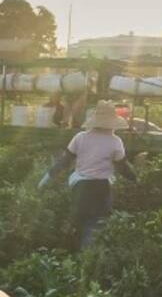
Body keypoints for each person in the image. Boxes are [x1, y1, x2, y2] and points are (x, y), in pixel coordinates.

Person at [38, 101, 138, 248]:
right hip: (102, 189)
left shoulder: (80, 137)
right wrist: (136, 178)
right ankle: (89, 260)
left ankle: (69, 259)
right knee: (96, 226)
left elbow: (64, 162)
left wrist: (45, 180)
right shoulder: (115, 142)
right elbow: (123, 168)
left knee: (77, 224)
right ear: (112, 124)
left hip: (81, 187)